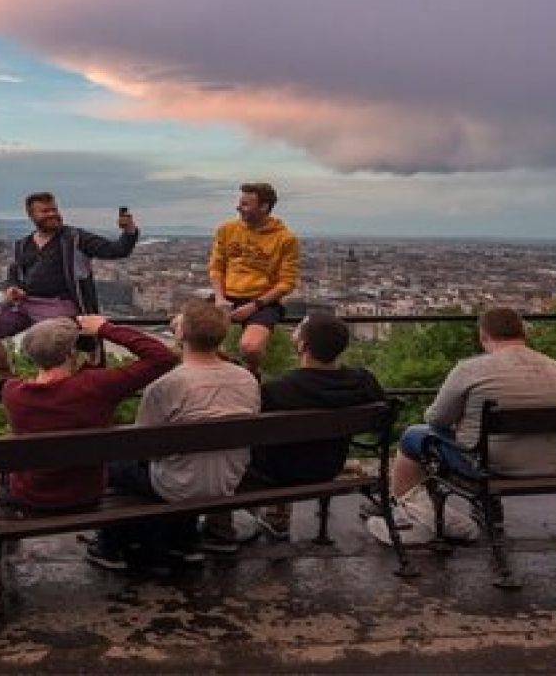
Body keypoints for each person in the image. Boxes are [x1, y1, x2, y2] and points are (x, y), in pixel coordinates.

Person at [372, 308, 556, 546]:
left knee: (413, 436)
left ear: (483, 335)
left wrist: (461, 422)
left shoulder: (471, 369)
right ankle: (483, 508)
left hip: (494, 465)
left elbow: (435, 419)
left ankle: (407, 511)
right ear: (524, 334)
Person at [91, 301, 261, 572]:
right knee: (184, 463)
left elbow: (142, 446)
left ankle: (111, 543)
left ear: (180, 335)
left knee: (115, 465)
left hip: (177, 485)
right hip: (228, 480)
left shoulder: (166, 386)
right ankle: (182, 541)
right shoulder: (246, 379)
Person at [0, 313, 177, 511]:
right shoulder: (95, 386)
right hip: (83, 496)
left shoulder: (12, 392)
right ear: (71, 354)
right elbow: (162, 357)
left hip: (30, 496)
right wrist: (105, 328)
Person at [0, 193, 140, 381]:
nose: (52, 214)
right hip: (25, 303)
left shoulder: (76, 238)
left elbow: (117, 250)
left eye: (55, 209)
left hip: (60, 304)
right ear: (32, 215)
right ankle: (8, 379)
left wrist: (129, 230)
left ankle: (59, 389)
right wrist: (12, 288)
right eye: (45, 211)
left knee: (56, 349)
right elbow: (14, 275)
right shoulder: (22, 244)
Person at [245, 314, 386, 536]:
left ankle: (274, 516)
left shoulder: (278, 390)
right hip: (330, 466)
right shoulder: (362, 381)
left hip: (278, 474)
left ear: (302, 345)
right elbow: (383, 415)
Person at [208, 182, 300, 377]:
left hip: (263, 300)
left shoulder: (285, 239)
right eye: (240, 203)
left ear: (264, 207)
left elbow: (287, 282)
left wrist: (254, 306)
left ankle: (251, 375)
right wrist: (219, 298)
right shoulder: (227, 230)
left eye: (245, 204)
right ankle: (226, 367)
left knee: (251, 348)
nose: (238, 207)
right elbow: (216, 267)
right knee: (180, 326)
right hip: (226, 296)